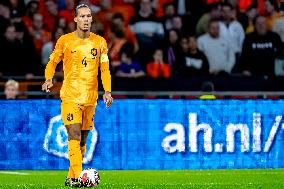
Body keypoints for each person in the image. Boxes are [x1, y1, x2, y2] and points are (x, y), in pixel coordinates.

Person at [41, 4, 113, 187]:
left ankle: (72, 177)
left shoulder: (100, 42)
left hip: (91, 98)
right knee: (73, 134)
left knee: (82, 140)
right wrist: (48, 79)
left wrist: (107, 91)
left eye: (89, 16)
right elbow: (52, 61)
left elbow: (104, 69)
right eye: (82, 16)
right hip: (71, 97)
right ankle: (81, 177)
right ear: (75, 19)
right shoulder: (65, 41)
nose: (86, 19)